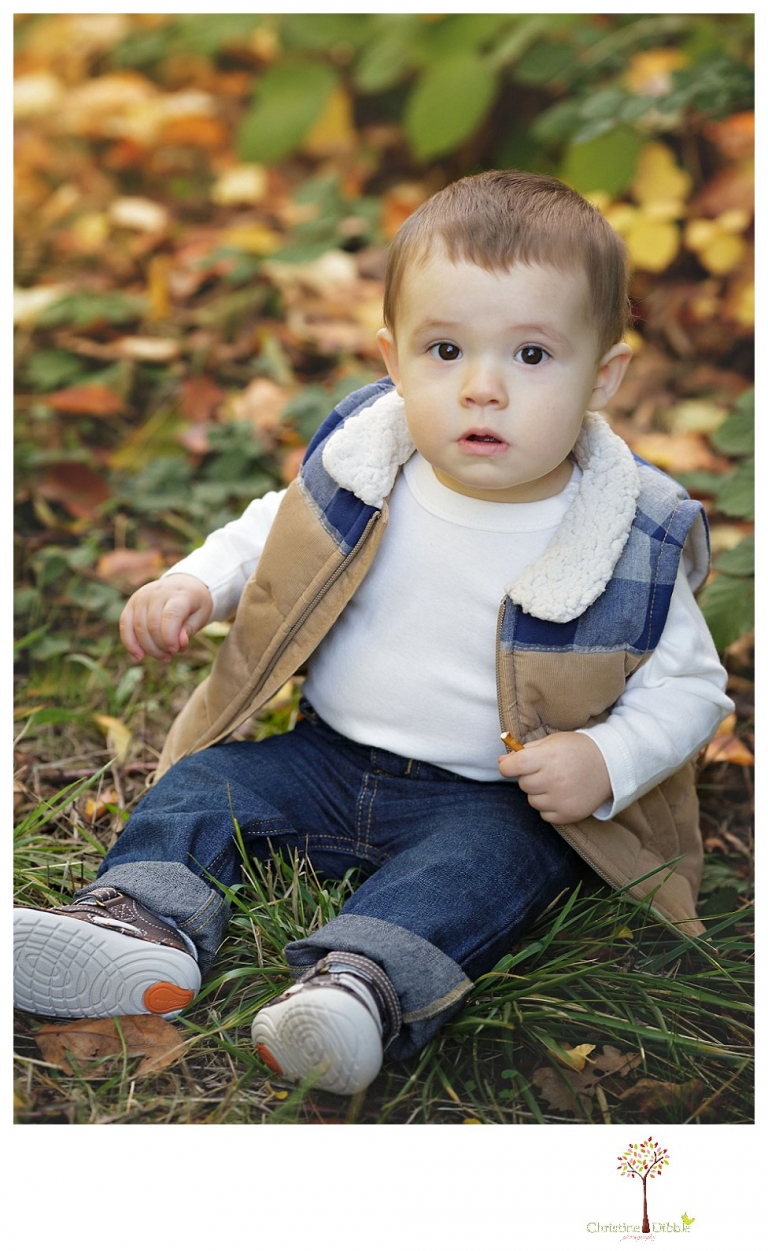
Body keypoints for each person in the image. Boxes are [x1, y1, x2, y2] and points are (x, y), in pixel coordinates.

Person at [14, 170, 733, 1096]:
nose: (482, 389)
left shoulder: (629, 529)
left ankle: (361, 985)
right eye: (446, 349)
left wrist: (606, 756)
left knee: (496, 867)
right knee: (207, 785)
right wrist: (198, 579)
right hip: (324, 756)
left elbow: (689, 687)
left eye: (531, 356)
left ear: (605, 375)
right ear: (392, 360)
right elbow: (279, 527)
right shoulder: (371, 458)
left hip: (486, 795)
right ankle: (138, 921)